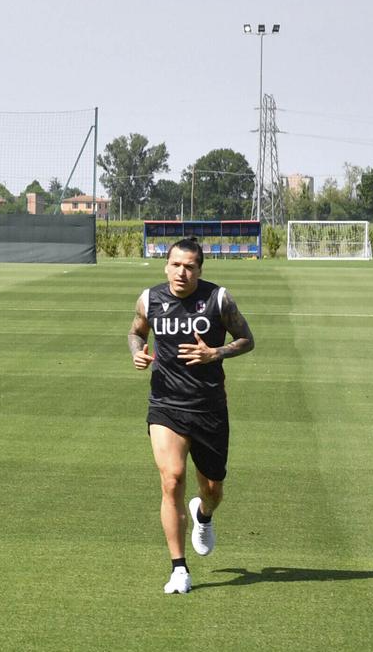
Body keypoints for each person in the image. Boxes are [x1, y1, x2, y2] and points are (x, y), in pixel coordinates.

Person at [128, 237, 255, 594]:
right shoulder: (149, 299)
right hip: (166, 404)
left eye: (190, 267)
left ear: (199, 269)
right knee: (172, 478)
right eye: (176, 265)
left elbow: (247, 339)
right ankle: (179, 568)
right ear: (166, 265)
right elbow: (136, 332)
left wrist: (215, 353)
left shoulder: (218, 299)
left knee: (212, 489)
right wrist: (138, 352)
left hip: (209, 407)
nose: (182, 272)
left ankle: (205, 515)